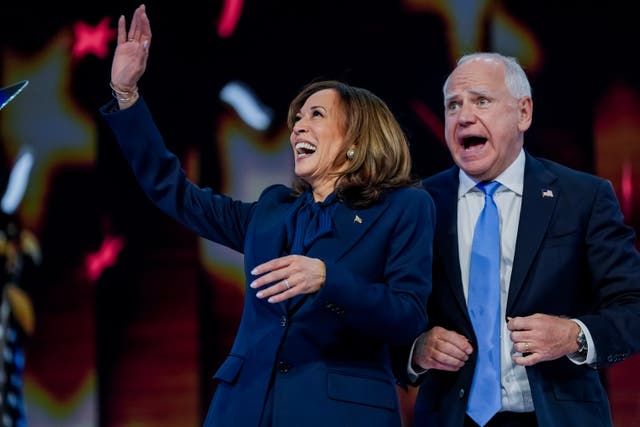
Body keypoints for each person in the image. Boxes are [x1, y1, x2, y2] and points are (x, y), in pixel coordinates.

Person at [100, 5, 435, 427]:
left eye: (316, 115)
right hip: (244, 408)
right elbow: (173, 192)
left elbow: (407, 316)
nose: (297, 127)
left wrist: (327, 279)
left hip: (337, 412)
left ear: (357, 139)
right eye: (296, 118)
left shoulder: (404, 207)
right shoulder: (273, 211)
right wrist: (126, 94)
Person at [409, 52, 640, 427]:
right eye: (453, 105)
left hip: (555, 415)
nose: (463, 116)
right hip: (450, 416)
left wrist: (573, 335)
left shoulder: (583, 197)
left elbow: (633, 306)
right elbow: (389, 309)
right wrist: (417, 349)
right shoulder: (418, 204)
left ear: (523, 113)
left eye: (481, 100)